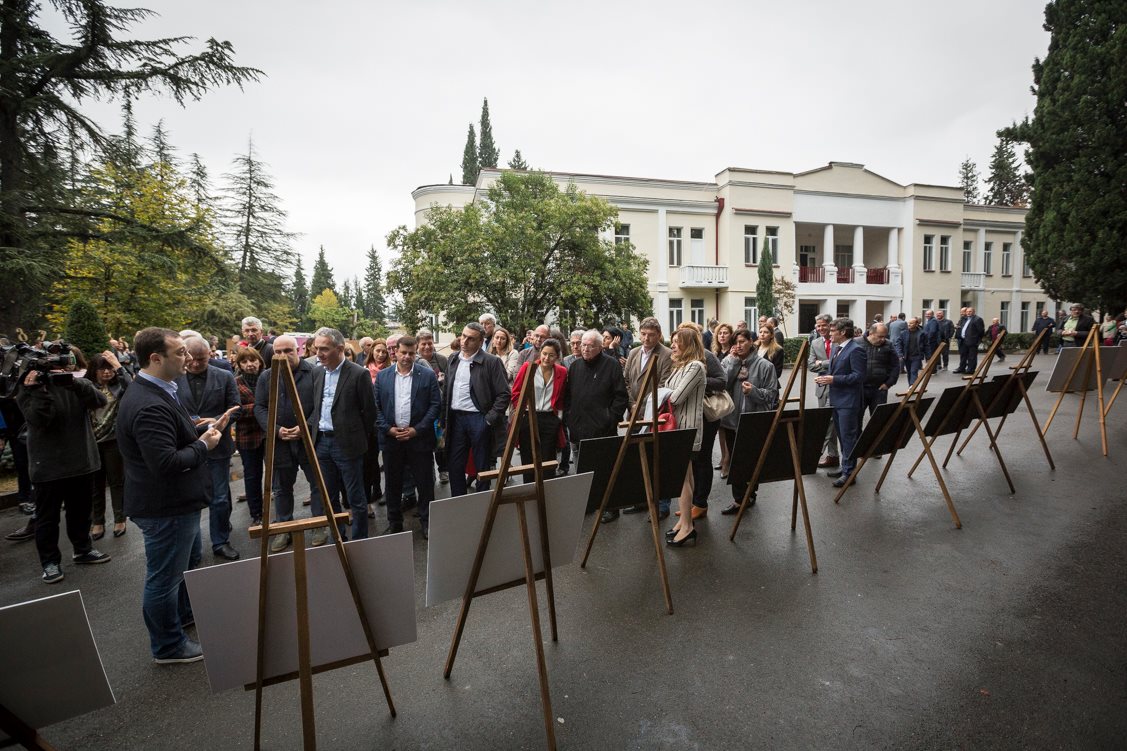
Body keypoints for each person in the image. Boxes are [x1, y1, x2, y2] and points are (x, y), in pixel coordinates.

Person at [118, 327, 226, 664]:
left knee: (184, 566)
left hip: (177, 504)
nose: (188, 357)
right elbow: (165, 463)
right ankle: (168, 646)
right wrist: (203, 445)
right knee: (164, 579)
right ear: (155, 358)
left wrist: (196, 428)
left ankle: (183, 616)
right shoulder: (149, 403)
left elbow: (168, 439)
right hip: (166, 508)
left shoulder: (159, 389)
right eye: (180, 352)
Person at [16, 343, 111, 584]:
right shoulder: (26, 388)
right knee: (47, 518)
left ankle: (83, 549)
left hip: (81, 461)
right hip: (48, 467)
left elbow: (99, 400)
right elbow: (40, 419)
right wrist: (38, 390)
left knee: (81, 512)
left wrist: (74, 383)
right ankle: (50, 562)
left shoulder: (76, 382)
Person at [254, 335, 324, 553]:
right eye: (278, 352)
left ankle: (319, 524)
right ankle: (284, 527)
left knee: (318, 483)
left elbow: (321, 404)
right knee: (281, 487)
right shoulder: (267, 376)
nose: (283, 356)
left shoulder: (314, 373)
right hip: (280, 442)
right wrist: (276, 430)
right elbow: (260, 407)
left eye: (288, 351)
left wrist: (306, 426)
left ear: (299, 351)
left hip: (308, 440)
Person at [310, 327, 378, 544]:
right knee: (329, 497)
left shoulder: (358, 374)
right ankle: (338, 539)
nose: (318, 353)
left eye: (324, 349)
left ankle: (359, 541)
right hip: (321, 443)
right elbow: (315, 406)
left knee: (355, 496)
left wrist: (355, 436)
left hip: (347, 445)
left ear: (339, 349)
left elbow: (369, 413)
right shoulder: (317, 372)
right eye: (316, 348)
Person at [176, 337, 241, 561]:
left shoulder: (224, 376)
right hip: (186, 447)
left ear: (210, 356)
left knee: (220, 497)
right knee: (188, 499)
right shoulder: (174, 377)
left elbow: (236, 408)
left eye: (201, 360)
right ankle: (191, 547)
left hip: (217, 446)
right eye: (191, 360)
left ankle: (220, 542)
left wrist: (216, 421)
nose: (195, 364)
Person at [374, 336, 442, 538]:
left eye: (411, 353)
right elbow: (375, 407)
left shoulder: (427, 375)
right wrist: (388, 429)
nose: (407, 357)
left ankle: (427, 522)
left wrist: (417, 430)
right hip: (392, 440)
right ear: (395, 351)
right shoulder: (383, 376)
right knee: (393, 484)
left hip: (419, 440)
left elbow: (435, 405)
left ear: (416, 353)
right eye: (403, 352)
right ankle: (394, 523)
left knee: (425, 484)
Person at [615, 317, 672, 522]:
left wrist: (643, 406)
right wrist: (632, 404)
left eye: (651, 335)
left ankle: (662, 505)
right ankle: (641, 499)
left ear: (659, 335)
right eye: (644, 334)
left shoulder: (666, 355)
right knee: (637, 458)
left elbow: (664, 385)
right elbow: (626, 381)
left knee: (658, 459)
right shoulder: (633, 352)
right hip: (634, 412)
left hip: (655, 413)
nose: (647, 338)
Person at [445, 322, 510, 496]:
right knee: (455, 464)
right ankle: (458, 501)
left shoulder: (492, 362)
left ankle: (482, 502)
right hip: (456, 419)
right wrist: (444, 419)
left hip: (479, 419)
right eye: (463, 336)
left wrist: (488, 420)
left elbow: (504, 394)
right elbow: (447, 392)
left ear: (481, 342)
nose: (464, 341)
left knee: (482, 466)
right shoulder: (453, 359)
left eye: (471, 339)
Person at [719, 328, 779, 514]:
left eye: (742, 341)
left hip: (753, 421)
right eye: (735, 342)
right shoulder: (727, 361)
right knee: (735, 460)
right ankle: (739, 499)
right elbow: (722, 385)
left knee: (752, 460)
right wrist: (732, 362)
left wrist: (753, 391)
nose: (738, 346)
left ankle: (750, 494)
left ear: (751, 342)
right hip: (731, 420)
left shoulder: (765, 366)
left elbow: (772, 395)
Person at [564, 330, 628, 492]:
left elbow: (621, 396)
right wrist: (570, 419)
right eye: (583, 345)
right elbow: (568, 396)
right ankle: (585, 501)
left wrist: (610, 419)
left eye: (590, 346)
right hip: (578, 428)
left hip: (602, 430)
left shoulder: (611, 365)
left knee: (604, 473)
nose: (585, 349)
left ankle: (606, 503)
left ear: (600, 347)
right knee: (582, 475)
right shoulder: (575, 366)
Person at [662, 327, 706, 547]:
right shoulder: (681, 366)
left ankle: (687, 526)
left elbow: (676, 397)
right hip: (678, 428)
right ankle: (684, 522)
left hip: (687, 429)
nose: (672, 345)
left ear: (688, 344)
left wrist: (661, 394)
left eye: (677, 341)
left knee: (682, 477)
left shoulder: (695, 366)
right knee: (685, 476)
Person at [814, 318, 866, 489]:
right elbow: (835, 371)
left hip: (849, 402)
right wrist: (825, 379)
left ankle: (849, 473)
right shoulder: (838, 348)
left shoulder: (856, 349)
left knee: (848, 437)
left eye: (832, 331)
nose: (829, 334)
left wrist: (834, 379)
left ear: (843, 332)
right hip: (837, 400)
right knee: (843, 437)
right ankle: (845, 467)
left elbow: (859, 376)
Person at [87, 350, 132, 540]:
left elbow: (132, 387)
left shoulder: (119, 387)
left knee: (116, 481)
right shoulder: (86, 387)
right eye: (102, 369)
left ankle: (120, 518)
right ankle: (97, 521)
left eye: (110, 368)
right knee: (95, 484)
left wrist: (119, 366)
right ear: (94, 370)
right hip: (91, 441)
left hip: (113, 441)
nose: (107, 372)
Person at [510, 338, 567, 484]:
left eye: (551, 355)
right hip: (528, 417)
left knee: (548, 459)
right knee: (528, 458)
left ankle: (547, 490)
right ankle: (529, 488)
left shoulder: (561, 372)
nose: (547, 358)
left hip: (549, 418)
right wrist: (521, 410)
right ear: (540, 353)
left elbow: (561, 398)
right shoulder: (528, 367)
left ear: (557, 356)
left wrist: (558, 417)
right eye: (544, 354)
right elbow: (516, 392)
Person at [231, 347, 266, 527]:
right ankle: (256, 515)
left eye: (252, 360)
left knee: (277, 475)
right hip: (247, 436)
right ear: (239, 365)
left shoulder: (268, 378)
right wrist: (261, 408)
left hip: (270, 434)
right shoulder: (235, 383)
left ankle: (279, 515)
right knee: (252, 477)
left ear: (260, 361)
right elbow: (234, 410)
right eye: (244, 361)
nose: (249, 364)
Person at [808, 315, 839, 469]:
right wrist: (830, 364)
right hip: (822, 388)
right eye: (818, 326)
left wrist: (823, 363)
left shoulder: (838, 340)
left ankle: (815, 453)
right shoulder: (815, 343)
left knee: (829, 422)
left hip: (838, 386)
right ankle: (833, 456)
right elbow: (811, 365)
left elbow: (840, 362)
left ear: (830, 325)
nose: (820, 328)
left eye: (823, 325)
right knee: (827, 420)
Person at [859, 324, 900, 417]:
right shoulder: (857, 343)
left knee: (878, 418)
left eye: (885, 336)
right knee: (856, 418)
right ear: (871, 333)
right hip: (860, 389)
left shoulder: (888, 345)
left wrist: (889, 383)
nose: (883, 339)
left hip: (879, 389)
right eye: (880, 336)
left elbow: (895, 365)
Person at [893, 317, 930, 385]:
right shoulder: (903, 333)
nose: (909, 324)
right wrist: (900, 354)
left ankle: (912, 386)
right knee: (909, 372)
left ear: (916, 324)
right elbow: (898, 344)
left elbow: (926, 346)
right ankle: (911, 386)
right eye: (908, 323)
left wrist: (928, 357)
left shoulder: (922, 333)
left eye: (911, 323)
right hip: (907, 356)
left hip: (917, 356)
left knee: (914, 371)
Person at [954, 307, 985, 373]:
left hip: (972, 341)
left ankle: (970, 370)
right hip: (963, 340)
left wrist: (977, 340)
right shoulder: (965, 319)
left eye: (970, 311)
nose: (968, 313)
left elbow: (981, 331)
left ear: (974, 312)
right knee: (963, 355)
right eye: (967, 311)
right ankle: (962, 368)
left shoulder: (978, 319)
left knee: (972, 356)